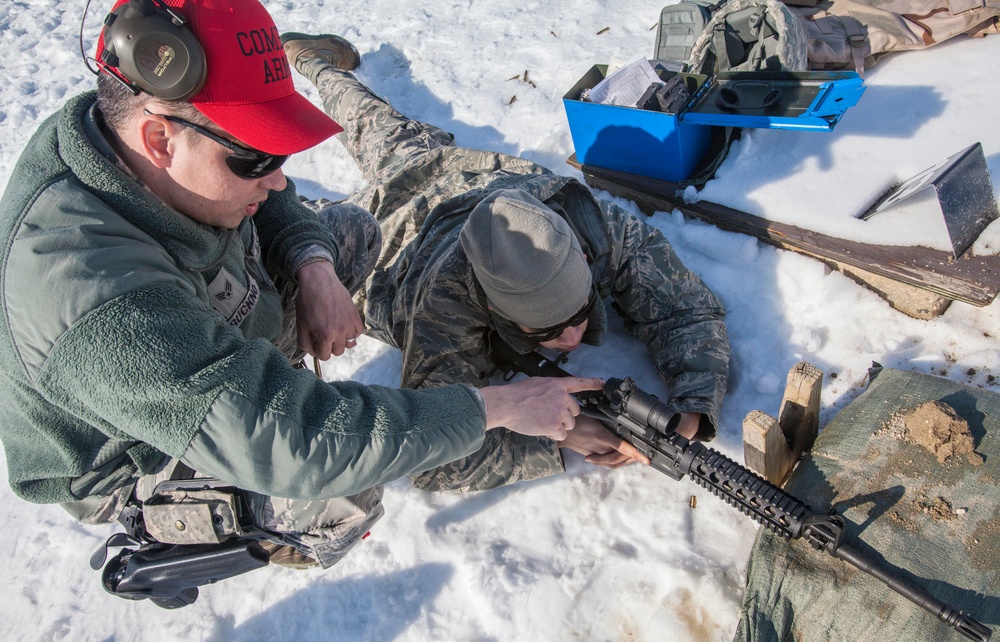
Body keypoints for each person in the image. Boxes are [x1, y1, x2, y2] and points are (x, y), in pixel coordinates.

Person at [0, 0, 601, 577]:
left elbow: (275, 195)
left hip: (206, 314)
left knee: (351, 236)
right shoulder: (94, 296)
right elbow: (297, 444)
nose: (280, 176)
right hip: (132, 448)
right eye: (256, 158)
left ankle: (259, 368)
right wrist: (497, 407)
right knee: (341, 491)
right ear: (160, 140)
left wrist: (313, 265)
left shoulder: (126, 130)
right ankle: (178, 540)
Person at [279, 34, 731, 493]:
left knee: (371, 117)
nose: (573, 339)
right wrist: (558, 441)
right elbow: (431, 456)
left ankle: (317, 62)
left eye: (579, 314)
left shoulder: (597, 228)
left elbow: (686, 309)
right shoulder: (440, 311)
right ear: (492, 310)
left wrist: (691, 411)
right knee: (276, 212)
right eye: (547, 332)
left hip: (447, 170)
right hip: (387, 241)